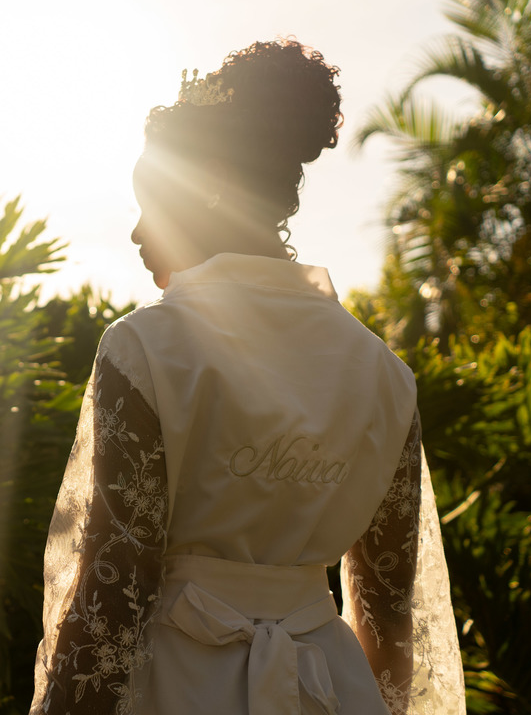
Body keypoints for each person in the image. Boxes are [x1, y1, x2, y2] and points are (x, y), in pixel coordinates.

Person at [30, 39, 464, 715]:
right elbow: (387, 618)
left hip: (178, 687)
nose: (138, 233)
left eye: (151, 204)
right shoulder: (385, 375)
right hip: (332, 691)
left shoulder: (145, 348)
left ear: (206, 186)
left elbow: (113, 594)